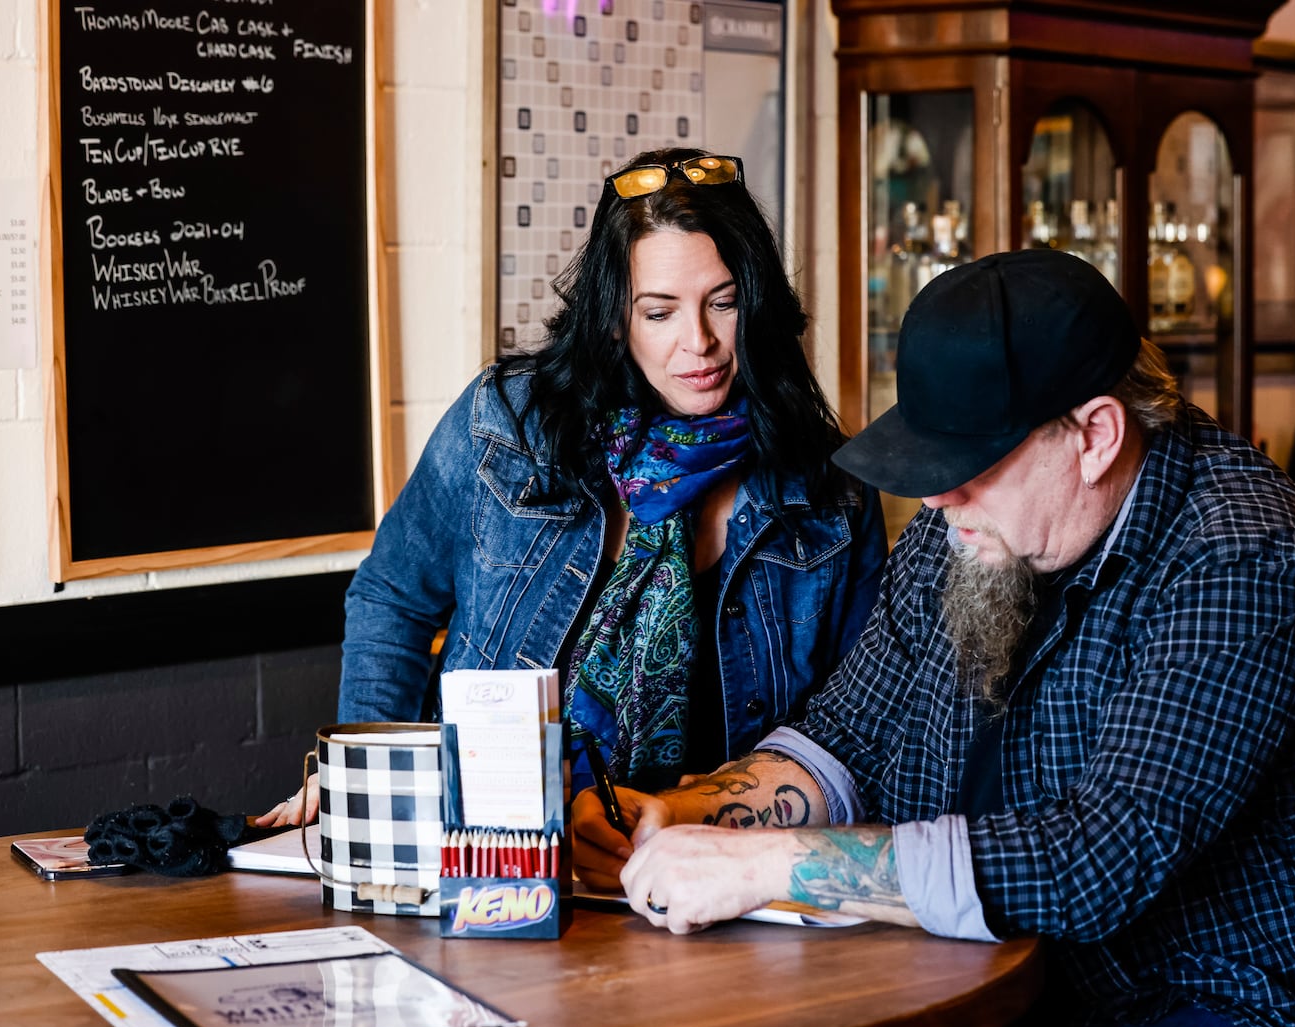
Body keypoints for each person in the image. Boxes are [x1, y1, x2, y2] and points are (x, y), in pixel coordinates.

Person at [573, 250, 1295, 1027]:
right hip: (1031, 989)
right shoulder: (966, 524)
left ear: (1095, 434)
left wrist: (766, 866)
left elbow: (1101, 855)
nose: (941, 492)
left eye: (973, 460)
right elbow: (848, 735)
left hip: (1255, 1002)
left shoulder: (1244, 556)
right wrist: (684, 817)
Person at [257, 148, 885, 826]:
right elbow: (393, 596)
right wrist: (364, 767)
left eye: (722, 303)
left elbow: (854, 725)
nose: (697, 341)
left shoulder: (831, 490)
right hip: (500, 847)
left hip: (711, 861)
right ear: (616, 318)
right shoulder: (508, 426)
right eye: (660, 311)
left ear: (756, 304)